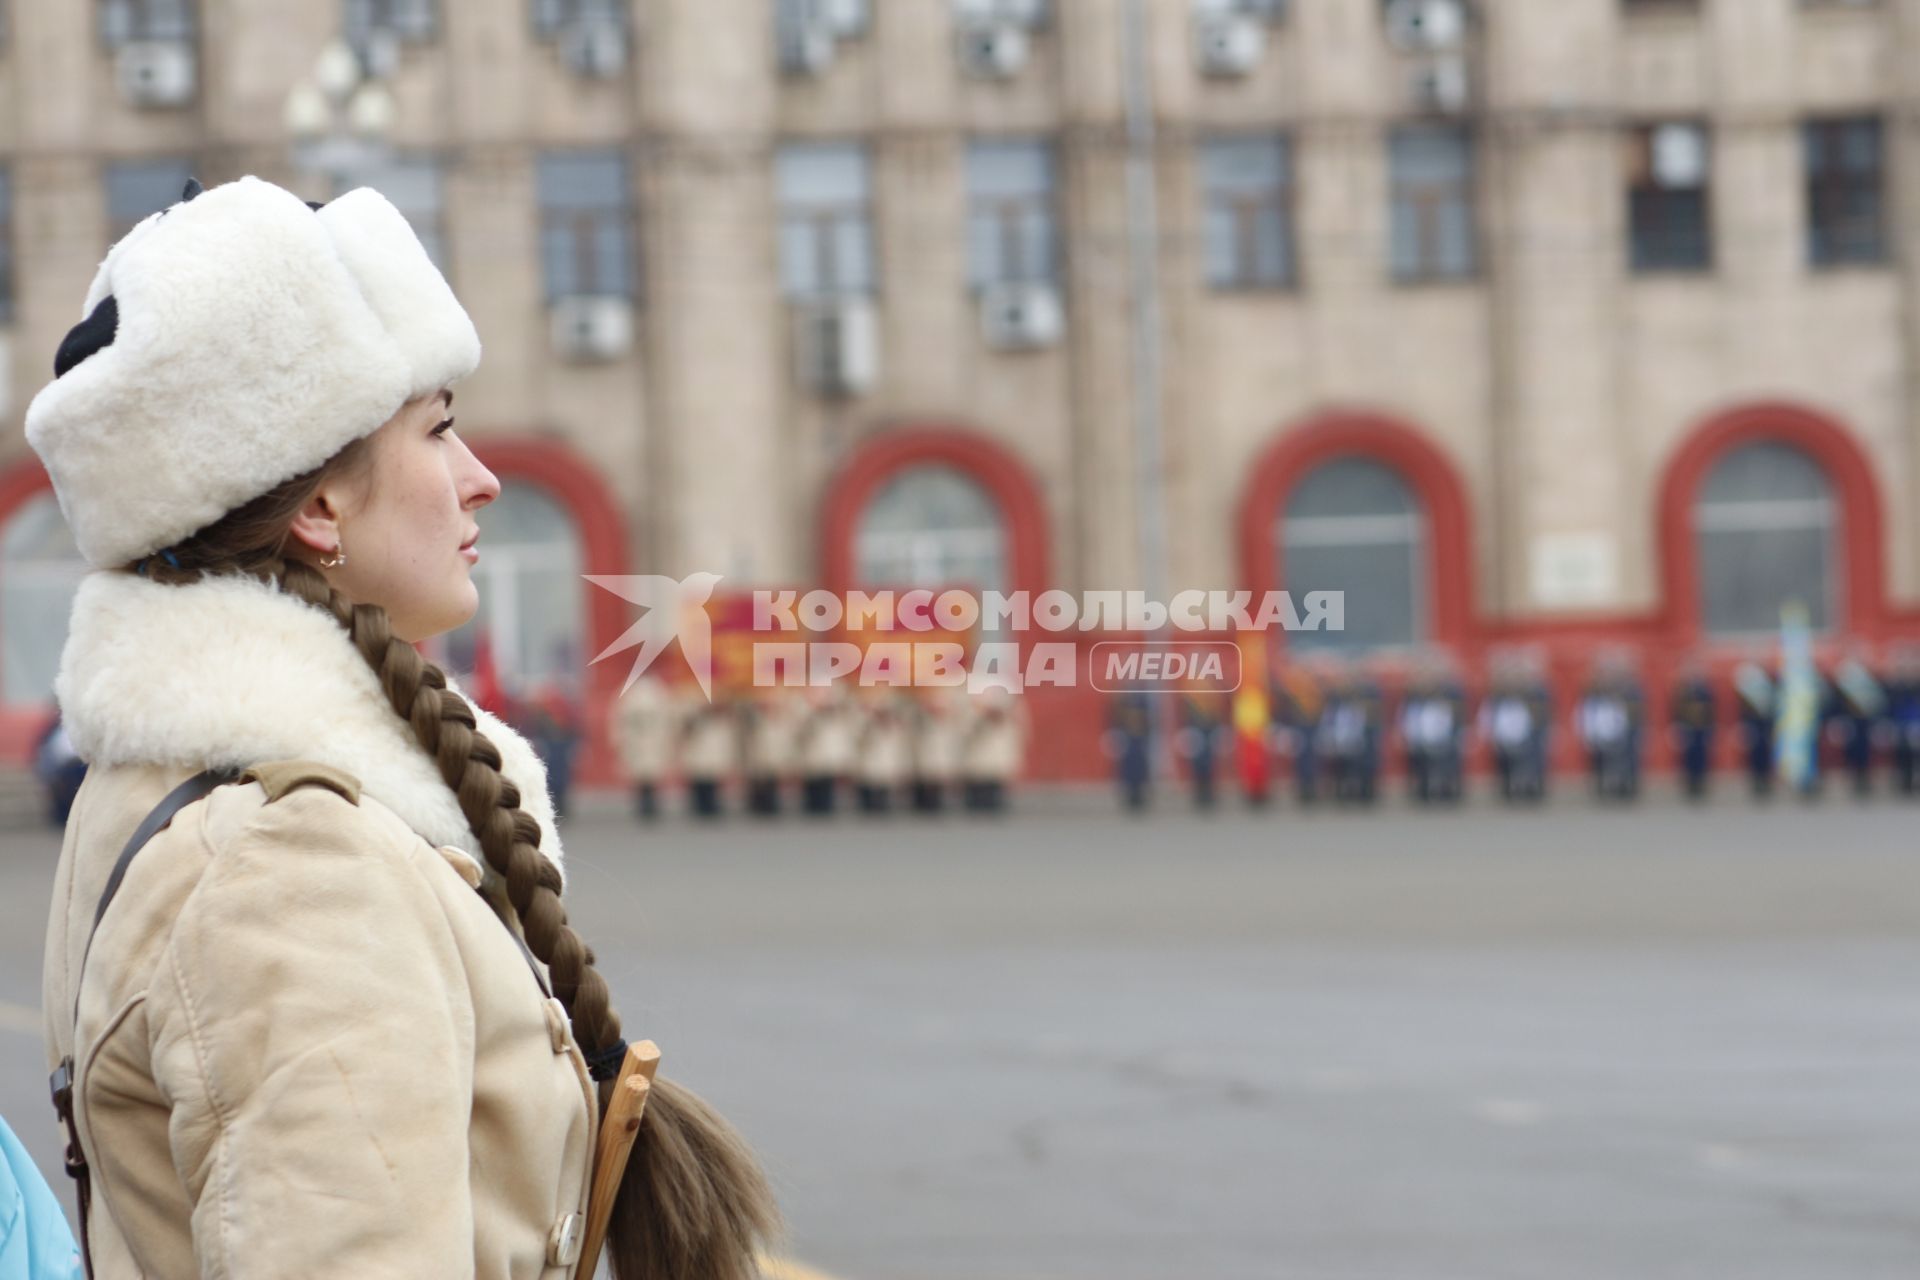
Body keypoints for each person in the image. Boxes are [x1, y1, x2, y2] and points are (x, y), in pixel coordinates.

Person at [30, 177, 774, 1278]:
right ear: (320, 508)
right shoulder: (292, 859)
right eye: (438, 430)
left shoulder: (189, 782)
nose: (480, 482)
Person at [612, 672, 676, 820]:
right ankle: (642, 801)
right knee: (638, 773)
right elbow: (619, 716)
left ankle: (652, 801)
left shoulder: (658, 690)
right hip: (636, 737)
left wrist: (666, 736)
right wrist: (620, 737)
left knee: (653, 772)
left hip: (653, 737)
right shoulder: (629, 690)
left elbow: (666, 715)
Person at [1669, 660, 1717, 800]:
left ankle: (1700, 784)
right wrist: (1676, 726)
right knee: (1687, 757)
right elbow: (1676, 709)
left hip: (1702, 726)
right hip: (1688, 726)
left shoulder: (1706, 689)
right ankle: (1689, 785)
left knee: (1702, 757)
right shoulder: (1682, 689)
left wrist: (1711, 726)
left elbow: (1711, 709)